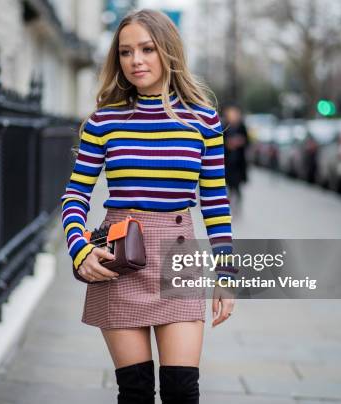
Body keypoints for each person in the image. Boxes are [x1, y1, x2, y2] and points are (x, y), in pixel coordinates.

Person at [60, 9, 237, 404]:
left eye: (147, 49)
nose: (135, 60)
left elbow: (215, 203)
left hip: (180, 258)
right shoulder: (104, 121)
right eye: (125, 52)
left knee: (180, 391)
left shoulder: (204, 120)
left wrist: (225, 273)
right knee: (135, 392)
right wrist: (80, 248)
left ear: (168, 52)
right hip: (123, 256)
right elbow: (74, 196)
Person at [221, 104, 249, 204]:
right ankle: (230, 203)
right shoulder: (224, 126)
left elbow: (247, 141)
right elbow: (221, 142)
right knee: (228, 185)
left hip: (238, 161)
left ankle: (237, 204)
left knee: (237, 186)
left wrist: (240, 141)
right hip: (228, 161)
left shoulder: (241, 126)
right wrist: (228, 143)